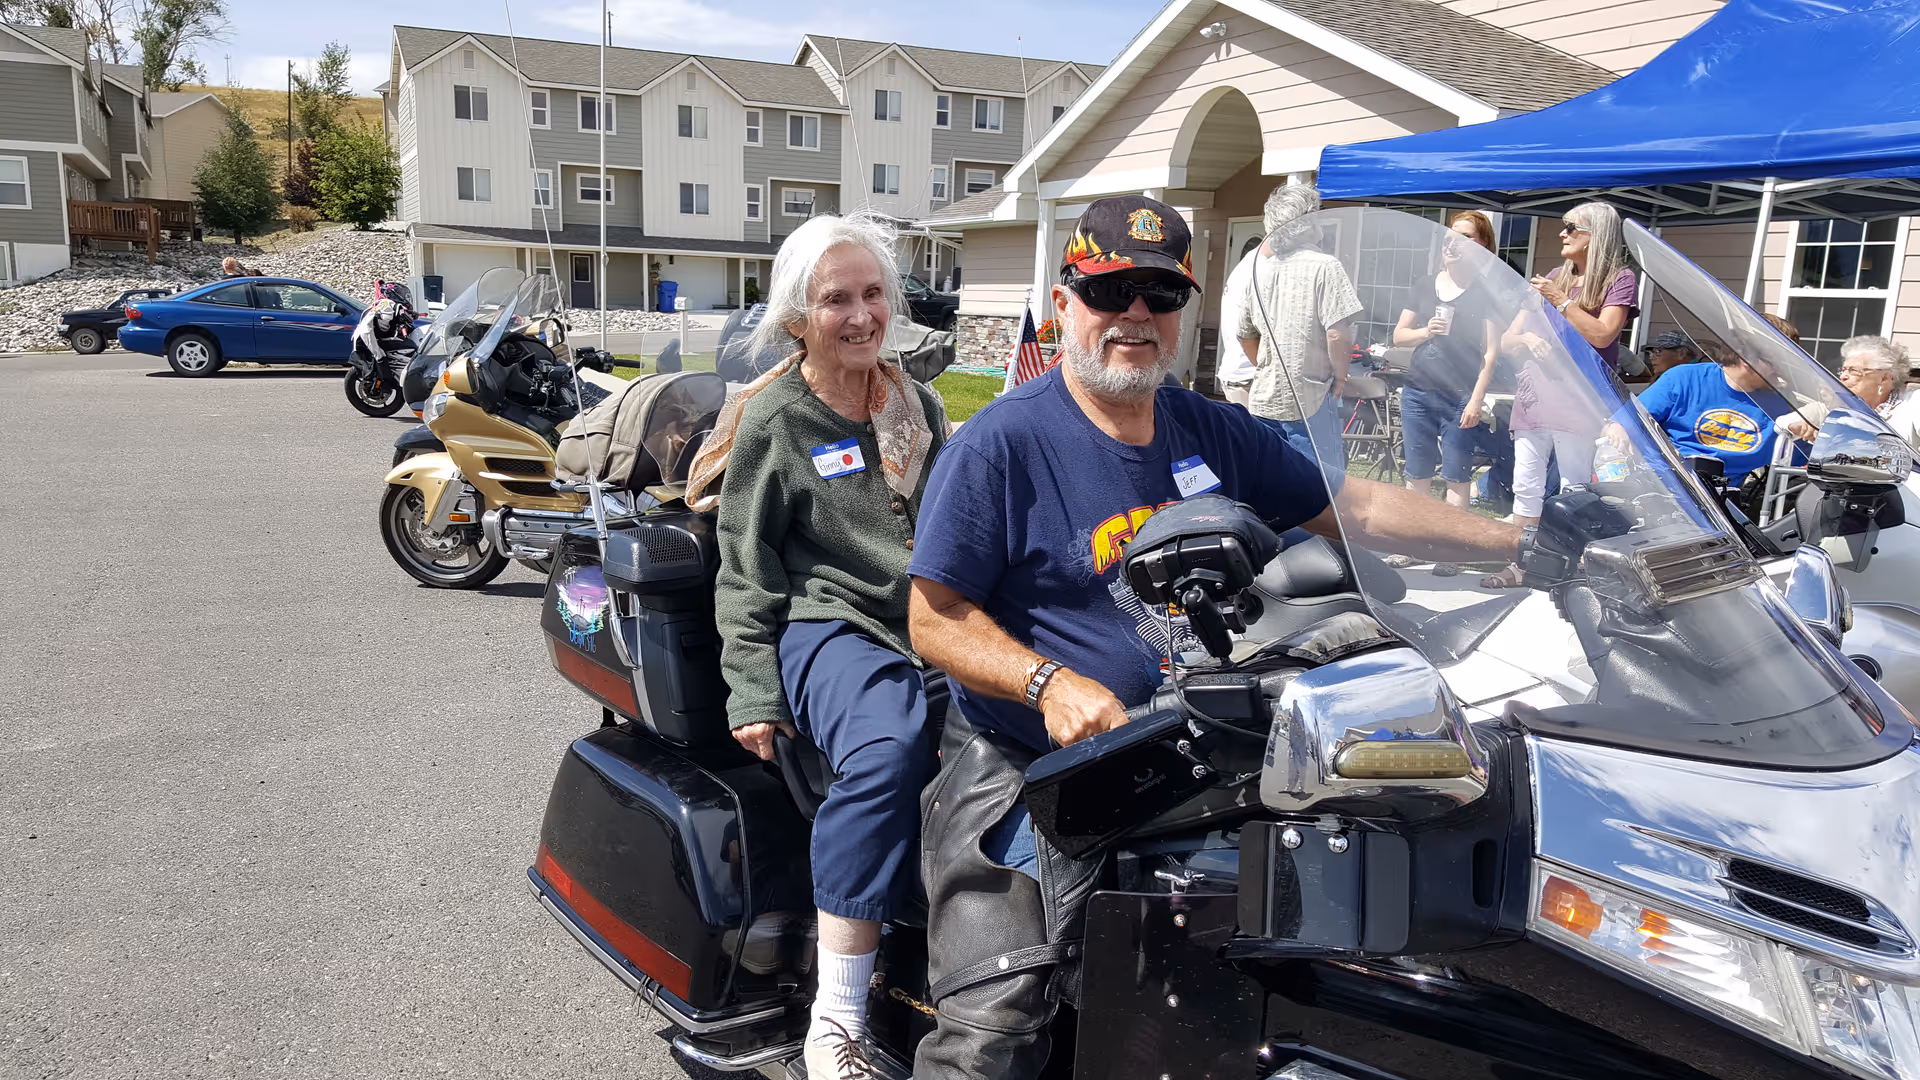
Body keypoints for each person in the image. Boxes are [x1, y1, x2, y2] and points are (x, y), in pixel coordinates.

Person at [903, 195, 1522, 1080]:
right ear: (1064, 301)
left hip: (1200, 740)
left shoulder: (1207, 427)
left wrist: (1518, 542)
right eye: (1110, 290)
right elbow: (933, 617)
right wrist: (1050, 685)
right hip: (1031, 758)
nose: (1135, 314)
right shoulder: (1005, 443)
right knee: (994, 1023)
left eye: (1159, 295)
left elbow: (1353, 505)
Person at [690, 212, 948, 1080]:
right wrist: (752, 688)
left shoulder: (918, 404)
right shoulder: (778, 419)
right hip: (829, 621)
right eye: (838, 299)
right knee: (886, 750)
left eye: (874, 294)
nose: (862, 315)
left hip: (926, 621)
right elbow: (745, 565)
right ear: (799, 318)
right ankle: (835, 1017)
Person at [1486, 201, 1637, 587]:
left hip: (1579, 400)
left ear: (1596, 235)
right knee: (1526, 486)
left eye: (1572, 228)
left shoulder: (1618, 279)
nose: (1562, 233)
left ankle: (1570, 569)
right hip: (1534, 397)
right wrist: (1527, 338)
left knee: (1574, 490)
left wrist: (1561, 300)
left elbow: (1603, 334)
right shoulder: (1556, 276)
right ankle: (1520, 565)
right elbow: (1507, 339)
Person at [1235, 184, 1362, 463]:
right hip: (1311, 397)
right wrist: (1341, 377)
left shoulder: (1260, 272)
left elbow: (1244, 335)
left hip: (1264, 397)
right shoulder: (1326, 266)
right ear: (1309, 221)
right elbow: (1336, 334)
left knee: (1268, 475)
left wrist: (1269, 365)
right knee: (1319, 479)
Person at [1393, 210, 1502, 508]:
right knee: (1417, 474)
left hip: (1459, 398)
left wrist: (1476, 401)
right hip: (1417, 393)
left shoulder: (1486, 293)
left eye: (1464, 237)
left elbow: (1491, 352)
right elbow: (1399, 336)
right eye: (1449, 236)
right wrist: (1426, 331)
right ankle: (1411, 536)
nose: (1452, 243)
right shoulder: (1425, 285)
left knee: (1457, 476)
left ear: (1482, 245)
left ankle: (1451, 539)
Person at [1604, 339, 1796, 486]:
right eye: (1776, 361)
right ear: (1748, 359)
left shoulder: (1784, 406)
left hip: (1721, 502)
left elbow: (1806, 457)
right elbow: (1620, 424)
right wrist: (1618, 428)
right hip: (1661, 484)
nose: (1781, 370)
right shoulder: (1684, 378)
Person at [1214, 234, 1270, 407]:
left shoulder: (1248, 264)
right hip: (1250, 377)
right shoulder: (1263, 269)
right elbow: (1247, 335)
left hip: (1239, 373)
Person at [1837, 334, 1920, 446]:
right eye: (1843, 370)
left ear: (1884, 378)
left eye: (1854, 371)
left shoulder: (1914, 403)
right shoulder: (1843, 411)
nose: (1843, 377)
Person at [351, 281, 417, 372]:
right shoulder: (386, 303)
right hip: (372, 340)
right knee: (411, 347)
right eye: (402, 295)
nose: (404, 299)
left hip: (373, 338)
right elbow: (384, 323)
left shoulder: (386, 304)